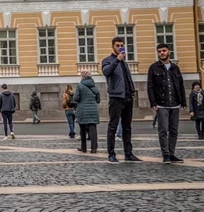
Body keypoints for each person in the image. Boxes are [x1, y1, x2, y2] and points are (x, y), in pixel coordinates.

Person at [101, 36, 140, 164]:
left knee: (127, 127)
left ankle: (128, 153)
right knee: (113, 126)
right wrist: (117, 60)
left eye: (122, 45)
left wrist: (132, 91)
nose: (120, 47)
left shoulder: (124, 62)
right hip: (116, 97)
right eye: (117, 45)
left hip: (128, 97)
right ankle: (111, 154)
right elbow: (107, 72)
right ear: (112, 46)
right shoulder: (107, 60)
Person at [147, 43, 186, 164]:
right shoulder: (153, 67)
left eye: (164, 51)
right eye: (159, 51)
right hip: (161, 104)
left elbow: (180, 85)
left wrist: (183, 101)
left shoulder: (175, 68)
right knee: (163, 130)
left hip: (175, 103)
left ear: (169, 51)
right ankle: (166, 155)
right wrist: (153, 102)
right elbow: (150, 86)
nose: (162, 53)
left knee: (174, 130)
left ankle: (172, 153)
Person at [73, 70, 101, 153]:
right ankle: (94, 148)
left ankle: (84, 148)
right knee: (93, 129)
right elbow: (98, 100)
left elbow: (76, 98)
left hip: (83, 109)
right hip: (93, 110)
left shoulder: (80, 85)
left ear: (82, 77)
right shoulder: (94, 86)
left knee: (82, 129)